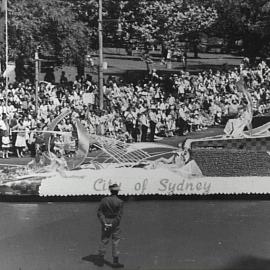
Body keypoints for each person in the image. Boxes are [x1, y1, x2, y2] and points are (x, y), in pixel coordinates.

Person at [97, 184, 124, 268]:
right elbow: (119, 216)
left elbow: (99, 213)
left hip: (106, 220)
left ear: (110, 191)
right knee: (115, 241)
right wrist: (112, 224)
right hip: (115, 223)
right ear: (117, 191)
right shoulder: (120, 202)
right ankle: (115, 262)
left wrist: (104, 222)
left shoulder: (104, 200)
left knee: (104, 239)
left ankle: (100, 260)